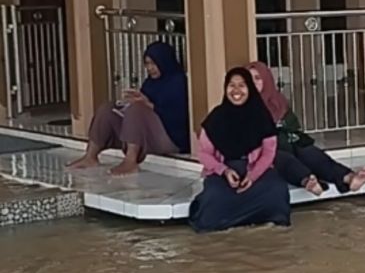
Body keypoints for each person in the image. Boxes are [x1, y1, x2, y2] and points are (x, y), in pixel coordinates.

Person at [188, 67, 291, 233]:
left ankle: (269, 221)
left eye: (242, 85)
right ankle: (218, 223)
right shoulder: (216, 117)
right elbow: (204, 153)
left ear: (249, 88)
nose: (236, 91)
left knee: (276, 189)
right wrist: (224, 171)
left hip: (254, 169)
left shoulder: (261, 116)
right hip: (223, 172)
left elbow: (269, 151)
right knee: (214, 196)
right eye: (231, 85)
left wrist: (253, 175)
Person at [246, 61, 365, 197]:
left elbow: (293, 124)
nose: (253, 82)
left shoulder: (278, 101)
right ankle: (308, 181)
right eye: (249, 78)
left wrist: (285, 133)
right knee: (283, 158)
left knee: (309, 152)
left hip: (288, 140)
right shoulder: (242, 105)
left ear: (266, 80)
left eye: (258, 78)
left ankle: (348, 177)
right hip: (263, 149)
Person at [67, 42, 189, 175]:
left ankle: (130, 161)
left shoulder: (178, 82)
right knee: (108, 109)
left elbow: (179, 118)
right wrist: (125, 106)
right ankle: (90, 156)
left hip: (170, 138)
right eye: (147, 64)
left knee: (137, 109)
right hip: (144, 136)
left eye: (153, 64)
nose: (150, 68)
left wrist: (148, 105)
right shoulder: (150, 83)